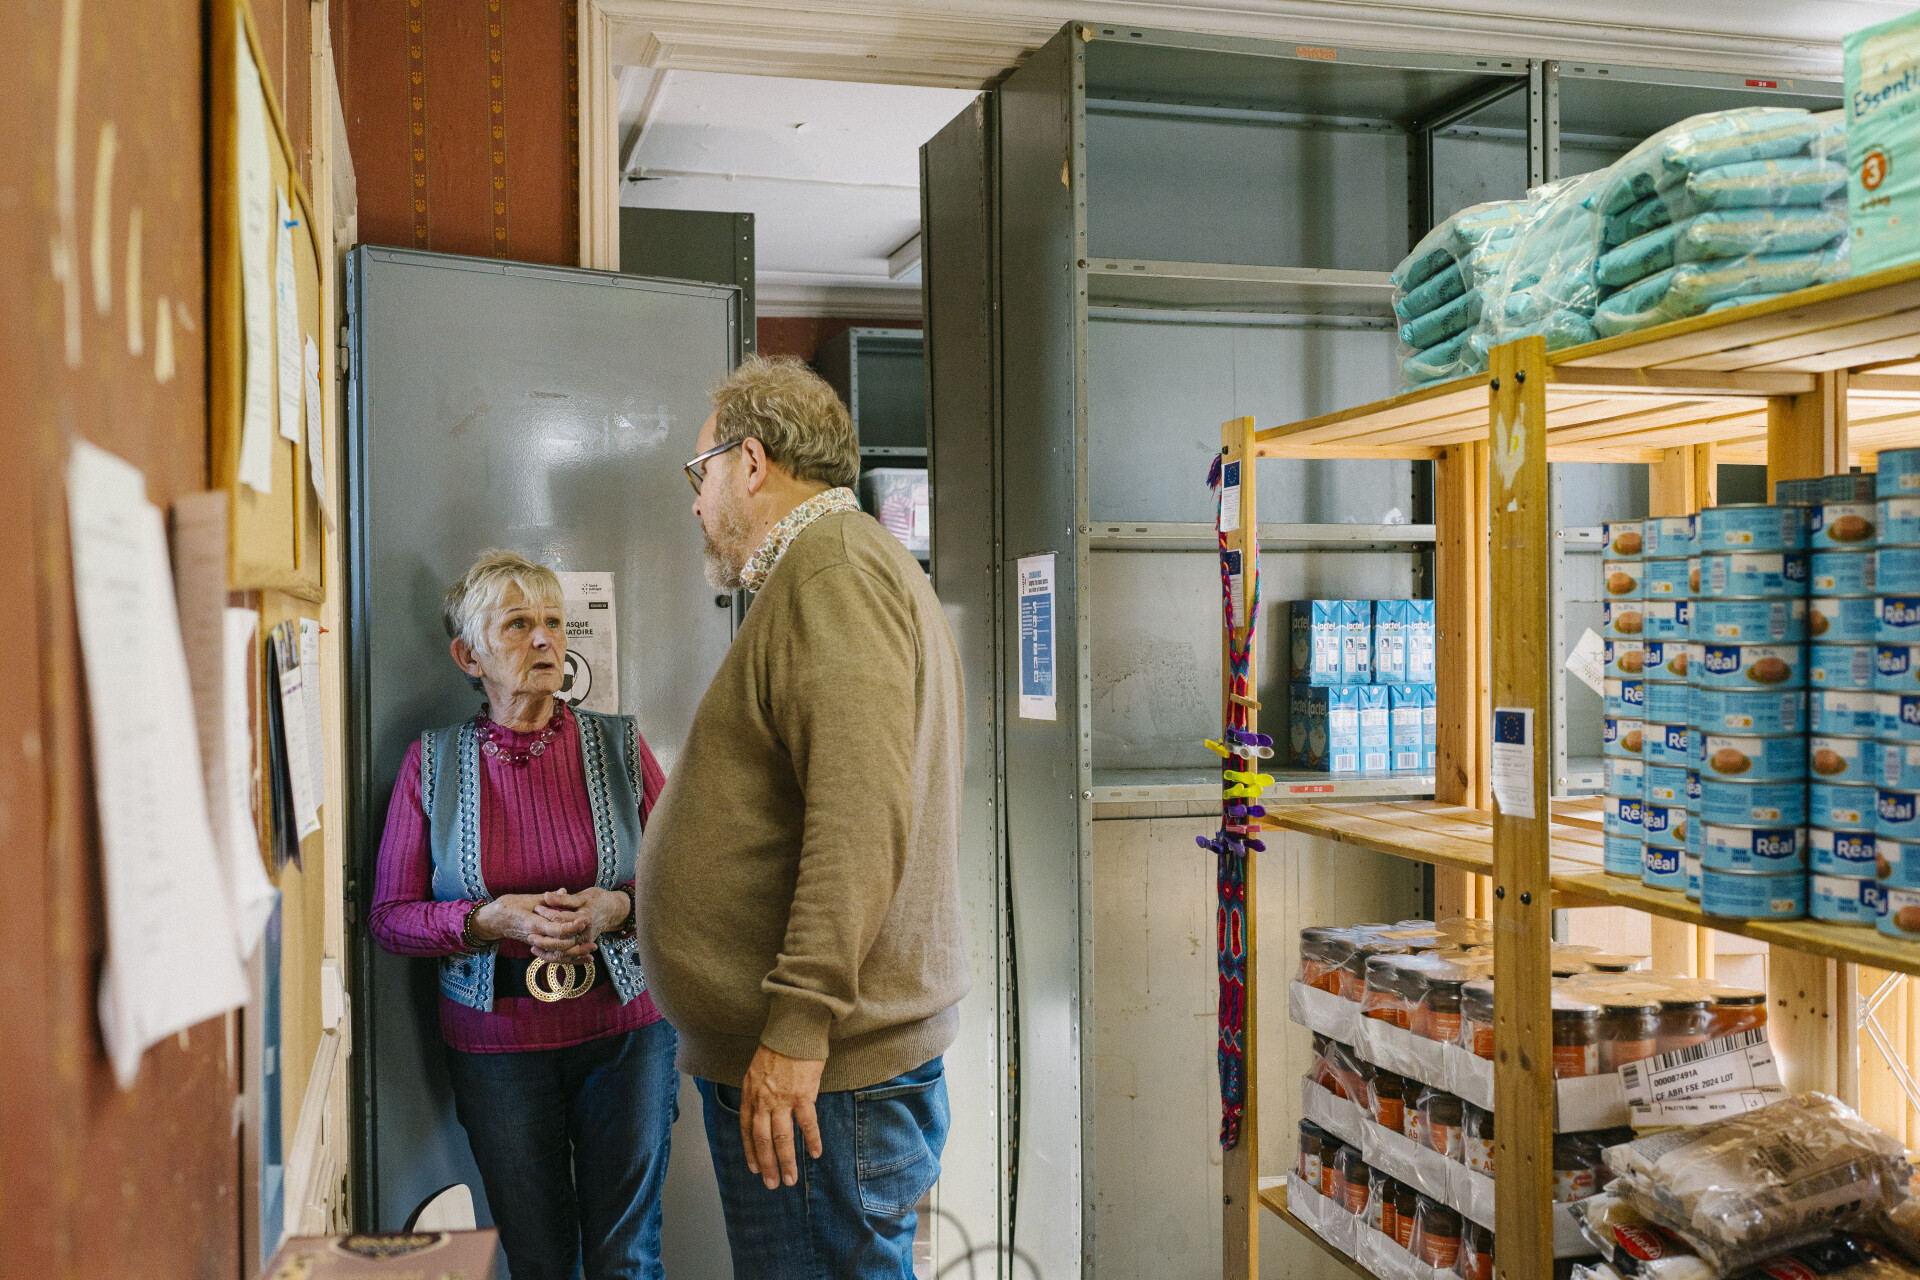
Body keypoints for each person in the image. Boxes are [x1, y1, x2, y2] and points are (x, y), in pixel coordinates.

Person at [637, 355, 969, 1279]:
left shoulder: (833, 574)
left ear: (751, 463)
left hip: (824, 1079)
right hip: (826, 1074)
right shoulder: (831, 569)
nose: (696, 504)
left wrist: (796, 1028)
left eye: (700, 474)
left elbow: (858, 821)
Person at [369, 550, 677, 1280]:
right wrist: (489, 920)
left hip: (627, 1038)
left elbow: (689, 885)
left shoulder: (619, 746)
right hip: (497, 1048)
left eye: (553, 623)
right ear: (468, 656)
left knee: (628, 1257)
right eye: (517, 624)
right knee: (539, 1260)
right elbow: (390, 916)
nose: (544, 639)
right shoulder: (431, 763)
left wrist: (620, 905)